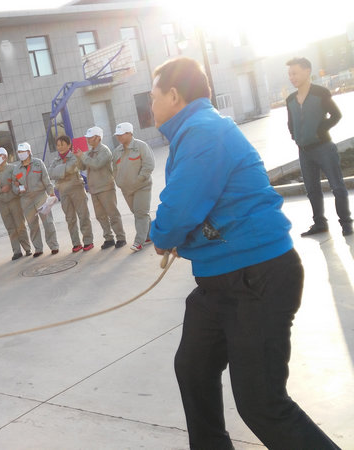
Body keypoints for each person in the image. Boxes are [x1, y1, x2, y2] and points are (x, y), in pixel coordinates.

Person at [149, 57, 340, 449]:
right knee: (194, 368)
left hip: (258, 276)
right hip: (219, 279)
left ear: (173, 94)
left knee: (260, 403)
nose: (149, 106)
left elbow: (179, 210)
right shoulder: (193, 132)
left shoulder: (204, 132)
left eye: (152, 97)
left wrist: (161, 234)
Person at [285, 57, 351, 236]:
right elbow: (290, 123)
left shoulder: (320, 92)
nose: (292, 77)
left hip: (324, 148)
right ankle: (320, 224)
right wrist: (295, 136)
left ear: (307, 71)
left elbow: (336, 115)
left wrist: (320, 130)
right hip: (304, 152)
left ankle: (346, 223)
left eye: (295, 73)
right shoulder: (290, 99)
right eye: (290, 74)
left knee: (337, 187)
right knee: (312, 190)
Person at [112, 122, 154, 252]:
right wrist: (118, 181)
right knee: (139, 212)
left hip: (142, 187)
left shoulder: (141, 146)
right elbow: (114, 169)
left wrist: (140, 179)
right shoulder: (117, 151)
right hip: (126, 189)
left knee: (140, 214)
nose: (119, 137)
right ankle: (150, 235)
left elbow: (149, 165)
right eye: (117, 135)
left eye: (121, 134)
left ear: (130, 133)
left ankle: (138, 242)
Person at [12, 142, 58, 257]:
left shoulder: (38, 164)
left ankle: (54, 245)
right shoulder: (16, 169)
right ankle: (38, 248)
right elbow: (14, 186)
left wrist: (51, 193)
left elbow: (46, 180)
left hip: (40, 196)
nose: (21, 154)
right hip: (26, 199)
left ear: (29, 152)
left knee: (48, 222)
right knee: (32, 225)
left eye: (23, 152)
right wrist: (18, 189)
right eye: (19, 152)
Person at [48, 135, 93, 252]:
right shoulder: (55, 160)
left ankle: (88, 241)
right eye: (58, 145)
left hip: (76, 189)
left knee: (83, 215)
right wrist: (63, 170)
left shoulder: (74, 156)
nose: (60, 147)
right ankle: (76, 243)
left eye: (62, 144)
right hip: (63, 192)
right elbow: (51, 173)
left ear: (69, 145)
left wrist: (60, 171)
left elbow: (70, 168)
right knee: (70, 218)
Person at [83, 126, 126, 249]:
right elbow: (82, 166)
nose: (88, 140)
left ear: (98, 138)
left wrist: (83, 157)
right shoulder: (89, 152)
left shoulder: (104, 151)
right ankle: (108, 238)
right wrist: (79, 157)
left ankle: (121, 237)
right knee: (100, 216)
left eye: (90, 138)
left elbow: (96, 164)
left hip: (105, 187)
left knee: (112, 214)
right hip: (94, 188)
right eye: (88, 138)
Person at [0, 147, 32, 260]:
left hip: (14, 201)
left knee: (20, 225)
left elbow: (19, 181)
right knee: (10, 228)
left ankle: (27, 248)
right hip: (2, 203)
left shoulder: (13, 168)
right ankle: (16, 251)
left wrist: (15, 185)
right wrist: (0, 190)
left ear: (5, 157)